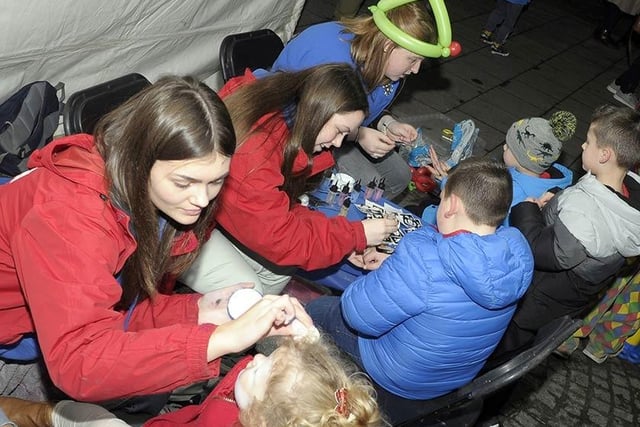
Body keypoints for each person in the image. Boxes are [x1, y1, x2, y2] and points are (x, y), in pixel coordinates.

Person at [0, 76, 313, 407]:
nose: (202, 199)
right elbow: (80, 362)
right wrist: (221, 339)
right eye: (185, 182)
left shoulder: (148, 201)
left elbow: (119, 308)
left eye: (216, 182)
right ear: (141, 159)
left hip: (44, 330)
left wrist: (201, 310)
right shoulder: (72, 216)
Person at [305, 158, 534, 418]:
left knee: (319, 308)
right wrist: (396, 268)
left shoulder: (423, 256)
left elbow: (357, 314)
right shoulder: (517, 258)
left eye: (441, 197)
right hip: (449, 378)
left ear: (451, 206)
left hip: (396, 376)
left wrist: (398, 270)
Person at [180, 64, 398, 296]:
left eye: (346, 135)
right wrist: (355, 235)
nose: (337, 143)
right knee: (248, 292)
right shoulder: (256, 154)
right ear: (318, 110)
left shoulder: (280, 107)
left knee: (278, 272)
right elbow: (282, 239)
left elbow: (280, 209)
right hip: (179, 232)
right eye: (339, 130)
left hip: (206, 215)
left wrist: (346, 238)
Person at [490, 104, 640, 365]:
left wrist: (526, 208)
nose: (582, 147)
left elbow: (543, 251)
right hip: (560, 302)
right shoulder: (626, 194)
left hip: (533, 302)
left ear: (605, 155)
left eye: (588, 142)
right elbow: (591, 225)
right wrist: (559, 202)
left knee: (500, 356)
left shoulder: (587, 208)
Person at [268, 1, 440, 199]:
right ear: (388, 45)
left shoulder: (383, 64)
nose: (416, 70)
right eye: (412, 59)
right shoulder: (334, 61)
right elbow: (308, 121)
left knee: (399, 176)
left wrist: (387, 123)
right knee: (367, 186)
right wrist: (358, 135)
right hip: (289, 130)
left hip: (336, 133)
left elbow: (364, 106)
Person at [145, 336, 384, 426]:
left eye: (259, 370)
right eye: (267, 357)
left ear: (260, 419)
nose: (256, 357)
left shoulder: (218, 418)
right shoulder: (258, 409)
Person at [423, 111, 577, 226]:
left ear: (523, 158)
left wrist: (446, 182)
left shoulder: (512, 191)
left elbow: (470, 205)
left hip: (466, 229)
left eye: (509, 147)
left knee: (422, 209)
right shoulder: (552, 183)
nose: (504, 147)